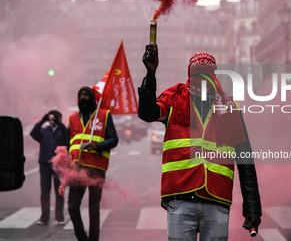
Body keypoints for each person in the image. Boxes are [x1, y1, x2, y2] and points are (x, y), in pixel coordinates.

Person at [138, 44, 262, 240]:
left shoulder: (230, 108)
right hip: (180, 197)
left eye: (207, 74)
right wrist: (150, 74)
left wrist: (252, 206)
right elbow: (147, 113)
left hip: (217, 198)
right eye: (197, 74)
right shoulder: (174, 99)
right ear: (189, 75)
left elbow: (245, 159)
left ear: (214, 75)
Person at [67, 86, 119, 241]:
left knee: (93, 210)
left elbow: (114, 139)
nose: (83, 97)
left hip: (96, 168)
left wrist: (97, 146)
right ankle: (82, 238)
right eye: (80, 95)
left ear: (92, 98)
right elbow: (68, 144)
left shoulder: (104, 115)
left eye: (86, 95)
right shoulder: (72, 119)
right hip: (77, 170)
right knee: (72, 207)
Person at [30, 110, 67, 225]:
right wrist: (42, 120)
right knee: (45, 192)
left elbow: (67, 136)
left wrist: (59, 123)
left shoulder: (62, 131)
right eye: (51, 118)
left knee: (59, 191)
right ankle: (44, 217)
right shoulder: (43, 131)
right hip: (45, 164)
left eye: (55, 118)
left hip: (59, 165)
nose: (53, 120)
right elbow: (33, 133)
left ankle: (59, 217)